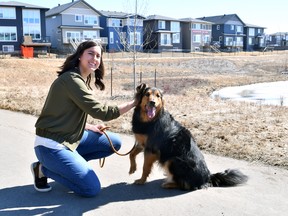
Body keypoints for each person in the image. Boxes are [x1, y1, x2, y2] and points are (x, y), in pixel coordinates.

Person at [31, 40, 136, 197]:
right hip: (51, 145)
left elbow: (65, 114)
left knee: (113, 142)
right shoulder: (72, 80)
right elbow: (102, 113)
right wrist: (134, 103)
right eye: (91, 53)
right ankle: (43, 169)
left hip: (70, 136)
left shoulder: (79, 79)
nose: (95, 58)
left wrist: (88, 126)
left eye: (98, 56)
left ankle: (69, 165)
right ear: (80, 55)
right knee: (91, 189)